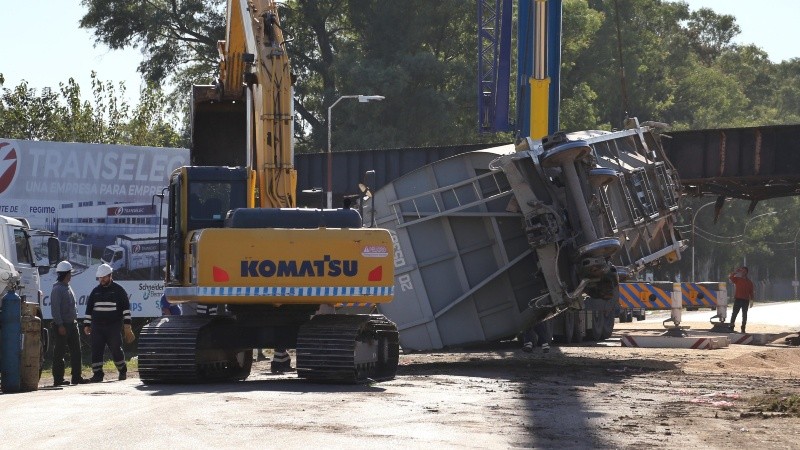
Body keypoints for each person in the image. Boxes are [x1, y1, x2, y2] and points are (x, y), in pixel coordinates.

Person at [83, 263, 134, 382]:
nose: (102, 280)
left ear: (110, 275)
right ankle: (97, 375)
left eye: (104, 277)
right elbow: (89, 309)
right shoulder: (95, 291)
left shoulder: (119, 290)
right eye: (100, 278)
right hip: (97, 326)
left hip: (113, 326)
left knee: (116, 348)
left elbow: (126, 309)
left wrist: (127, 325)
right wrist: (87, 325)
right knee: (96, 349)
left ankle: (122, 370)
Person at [49, 261, 89, 386]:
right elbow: (55, 309)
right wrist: (60, 325)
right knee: (59, 352)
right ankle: (58, 379)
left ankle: (76, 377)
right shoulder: (57, 289)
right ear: (65, 274)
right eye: (69, 273)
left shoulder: (67, 286)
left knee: (77, 351)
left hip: (72, 324)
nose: (71, 275)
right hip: (63, 325)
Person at [728, 266, 755, 334]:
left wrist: (752, 300)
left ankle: (743, 328)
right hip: (738, 299)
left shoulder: (749, 282)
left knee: (744, 315)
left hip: (745, 300)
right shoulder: (737, 279)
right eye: (742, 271)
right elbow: (731, 277)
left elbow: (751, 291)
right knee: (734, 314)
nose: (743, 272)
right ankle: (731, 327)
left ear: (746, 272)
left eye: (744, 271)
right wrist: (735, 272)